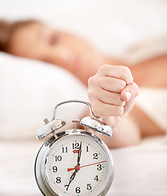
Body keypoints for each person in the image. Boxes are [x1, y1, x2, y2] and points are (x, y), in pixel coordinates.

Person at [0, 19, 166, 148]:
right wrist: (104, 116)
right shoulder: (102, 109)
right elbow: (112, 132)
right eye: (47, 64)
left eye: (53, 40)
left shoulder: (143, 48)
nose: (63, 56)